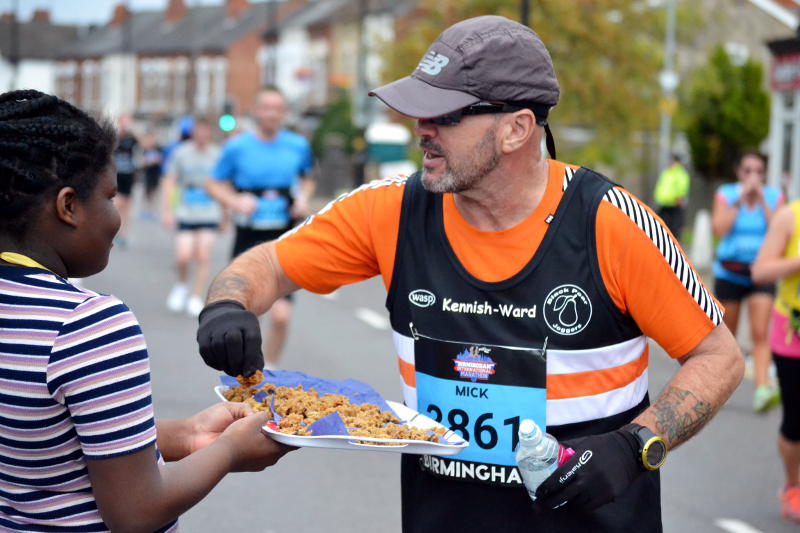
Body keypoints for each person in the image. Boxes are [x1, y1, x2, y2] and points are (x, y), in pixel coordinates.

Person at [195, 16, 743, 532]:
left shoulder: (610, 224)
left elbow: (720, 358)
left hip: (590, 519)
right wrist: (229, 305)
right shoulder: (390, 211)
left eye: (444, 115)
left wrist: (638, 443)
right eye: (417, 112)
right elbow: (265, 263)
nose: (421, 130)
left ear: (516, 129)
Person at [0, 89, 291, 532]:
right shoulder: (85, 325)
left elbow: (42, 439)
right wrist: (229, 451)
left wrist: (190, 435)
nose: (117, 216)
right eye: (110, 197)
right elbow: (136, 511)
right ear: (68, 206)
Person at [205, 86, 314, 369]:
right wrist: (234, 200)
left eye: (278, 108)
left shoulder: (298, 146)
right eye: (266, 108)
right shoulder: (237, 147)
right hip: (249, 234)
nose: (272, 114)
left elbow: (308, 178)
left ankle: (272, 368)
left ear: (284, 112)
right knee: (251, 312)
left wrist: (303, 197)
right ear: (255, 111)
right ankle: (248, 371)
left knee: (281, 316)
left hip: (284, 235)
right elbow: (213, 182)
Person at [711, 150, 783, 413]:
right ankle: (721, 389)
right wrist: (741, 199)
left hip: (759, 273)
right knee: (726, 336)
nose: (754, 176)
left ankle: (763, 388)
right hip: (730, 272)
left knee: (760, 332)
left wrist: (762, 201)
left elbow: (779, 230)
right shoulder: (727, 194)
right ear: (740, 173)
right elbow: (719, 228)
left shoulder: (774, 197)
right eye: (748, 170)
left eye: (759, 171)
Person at [752, 200, 800, 522]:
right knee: (796, 421)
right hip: (792, 334)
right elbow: (760, 270)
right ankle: (793, 487)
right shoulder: (790, 216)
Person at [162, 117, 223, 317]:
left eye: (206, 130)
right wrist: (168, 210)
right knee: (183, 255)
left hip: (210, 209)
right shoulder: (181, 153)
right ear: (193, 131)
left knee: (203, 255)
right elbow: (170, 181)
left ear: (211, 132)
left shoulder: (218, 154)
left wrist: (227, 214)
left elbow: (225, 184)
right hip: (186, 209)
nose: (202, 135)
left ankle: (196, 296)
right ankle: (181, 285)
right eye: (199, 130)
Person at [113, 112, 139, 248]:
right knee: (117, 203)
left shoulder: (132, 139)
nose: (126, 124)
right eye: (124, 121)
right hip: (116, 175)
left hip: (128, 175)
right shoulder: (114, 138)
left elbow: (141, 150)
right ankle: (114, 232)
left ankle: (123, 234)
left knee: (126, 205)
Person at [653, 153, 690, 238]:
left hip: (675, 204)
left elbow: (682, 186)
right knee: (661, 225)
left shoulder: (680, 173)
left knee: (674, 228)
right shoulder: (666, 172)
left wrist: (680, 198)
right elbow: (661, 185)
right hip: (664, 203)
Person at [140, 130, 163, 220]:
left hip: (155, 174)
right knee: (146, 192)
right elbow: (143, 161)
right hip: (147, 174)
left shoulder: (159, 149)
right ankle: (146, 210)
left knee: (154, 192)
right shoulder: (145, 150)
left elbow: (160, 160)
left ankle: (153, 211)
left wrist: (154, 161)